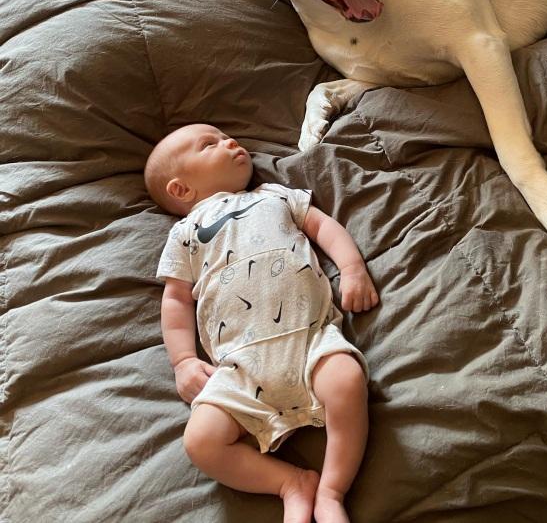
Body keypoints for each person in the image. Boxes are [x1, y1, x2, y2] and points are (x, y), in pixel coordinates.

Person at [145, 123, 379, 523]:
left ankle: (331, 490)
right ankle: (290, 483)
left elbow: (322, 227)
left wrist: (353, 269)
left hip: (308, 340)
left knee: (346, 380)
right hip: (239, 367)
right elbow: (176, 298)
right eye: (210, 144)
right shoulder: (184, 234)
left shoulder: (273, 195)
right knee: (201, 442)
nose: (230, 142)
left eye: (226, 136)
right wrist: (183, 361)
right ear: (181, 189)